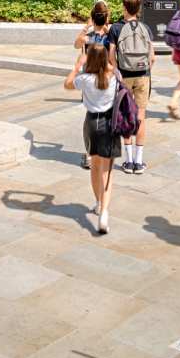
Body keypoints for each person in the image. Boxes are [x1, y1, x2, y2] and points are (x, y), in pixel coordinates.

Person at [64, 42, 120, 235]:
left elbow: (67, 84)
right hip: (108, 124)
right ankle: (104, 213)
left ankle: (97, 203)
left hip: (90, 123)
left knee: (94, 166)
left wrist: (78, 65)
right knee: (107, 171)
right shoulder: (113, 76)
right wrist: (106, 60)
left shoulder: (85, 79)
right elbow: (113, 68)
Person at [109, 0, 153, 172]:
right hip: (143, 75)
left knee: (127, 116)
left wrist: (117, 70)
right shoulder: (146, 28)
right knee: (141, 117)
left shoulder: (116, 28)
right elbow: (153, 56)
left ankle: (127, 161)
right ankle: (139, 160)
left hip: (124, 76)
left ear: (124, 8)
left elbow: (111, 55)